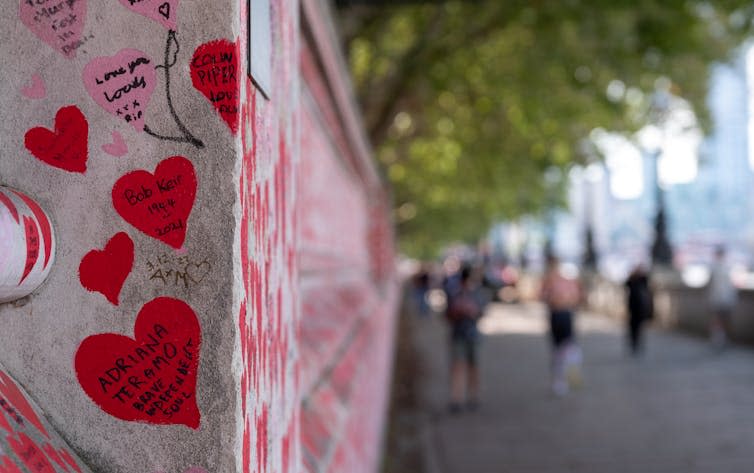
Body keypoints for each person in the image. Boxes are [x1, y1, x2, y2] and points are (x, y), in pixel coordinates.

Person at [444, 265, 484, 412]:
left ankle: (472, 397)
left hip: (470, 335)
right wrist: (458, 311)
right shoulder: (455, 294)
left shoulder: (477, 294)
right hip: (459, 334)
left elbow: (481, 312)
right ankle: (457, 397)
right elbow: (447, 315)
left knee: (472, 366)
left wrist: (471, 311)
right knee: (458, 366)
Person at [540, 256, 582, 396]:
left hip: (564, 315)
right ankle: (560, 379)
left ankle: (568, 376)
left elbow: (577, 296)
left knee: (566, 346)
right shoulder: (550, 280)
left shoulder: (567, 280)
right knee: (558, 348)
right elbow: (543, 296)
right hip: (557, 315)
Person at [707, 246, 737, 349]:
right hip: (723, 299)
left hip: (720, 299)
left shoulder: (716, 267)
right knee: (721, 321)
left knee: (719, 321)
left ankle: (719, 341)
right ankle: (720, 341)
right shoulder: (725, 267)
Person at [624, 264, 653, 355]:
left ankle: (637, 343)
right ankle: (633, 343)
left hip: (640, 308)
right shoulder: (632, 280)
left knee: (639, 327)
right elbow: (626, 284)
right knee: (632, 327)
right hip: (633, 308)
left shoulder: (642, 280)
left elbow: (647, 281)